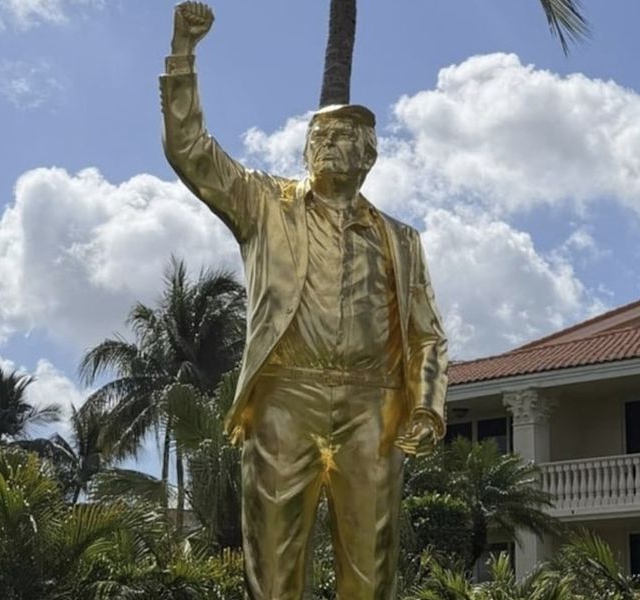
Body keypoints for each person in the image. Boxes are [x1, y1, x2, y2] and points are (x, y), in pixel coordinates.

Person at [159, 3, 449, 597]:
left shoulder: (401, 239)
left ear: (370, 155)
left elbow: (427, 334)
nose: (333, 143)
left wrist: (425, 405)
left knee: (372, 572)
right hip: (287, 397)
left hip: (374, 407)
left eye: (348, 136)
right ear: (306, 149)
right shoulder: (265, 206)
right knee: (272, 564)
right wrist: (184, 52)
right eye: (323, 134)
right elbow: (190, 150)